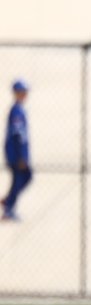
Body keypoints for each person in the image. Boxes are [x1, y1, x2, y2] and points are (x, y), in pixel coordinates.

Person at [3, 79, 32, 222]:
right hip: (15, 154)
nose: (25, 94)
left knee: (21, 179)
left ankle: (8, 201)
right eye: (22, 92)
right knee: (22, 177)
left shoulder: (18, 109)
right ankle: (8, 207)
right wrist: (22, 156)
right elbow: (18, 135)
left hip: (16, 153)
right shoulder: (16, 111)